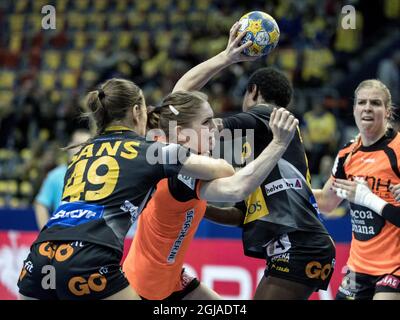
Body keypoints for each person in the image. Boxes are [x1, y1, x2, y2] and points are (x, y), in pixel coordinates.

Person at [17, 78, 237, 300]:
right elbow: (222, 172)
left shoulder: (82, 151)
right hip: (89, 255)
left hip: (40, 255)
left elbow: (181, 96)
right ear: (135, 111)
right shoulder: (148, 150)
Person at [170, 22, 336, 300]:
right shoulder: (264, 148)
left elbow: (179, 100)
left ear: (253, 92)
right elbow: (240, 215)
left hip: (300, 243)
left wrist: (227, 57)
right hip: (297, 245)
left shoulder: (266, 115)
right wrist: (197, 204)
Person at [123, 90, 298, 300]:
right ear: (180, 133)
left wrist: (227, 57)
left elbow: (178, 99)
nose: (214, 129)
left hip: (171, 280)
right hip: (146, 289)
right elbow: (236, 187)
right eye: (206, 122)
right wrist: (279, 143)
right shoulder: (180, 173)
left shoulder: (176, 156)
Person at [313, 79, 400, 300]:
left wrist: (368, 198)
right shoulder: (346, 155)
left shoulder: (398, 150)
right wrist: (287, 187)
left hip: (394, 266)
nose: (368, 107)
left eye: (376, 103)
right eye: (361, 102)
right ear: (354, 110)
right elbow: (326, 202)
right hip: (358, 266)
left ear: (388, 112)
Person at [34, 129, 91, 230]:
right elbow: (40, 204)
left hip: (87, 236)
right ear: (69, 146)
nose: (82, 149)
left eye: (86, 145)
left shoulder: (97, 176)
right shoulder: (55, 175)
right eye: (78, 144)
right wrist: (46, 232)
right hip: (63, 234)